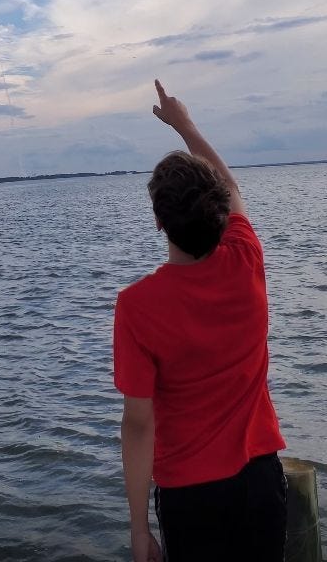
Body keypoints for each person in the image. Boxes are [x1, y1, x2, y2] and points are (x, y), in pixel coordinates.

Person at [113, 80, 287, 562]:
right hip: (260, 480)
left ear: (158, 222)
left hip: (190, 493)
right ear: (218, 214)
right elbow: (230, 186)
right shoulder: (246, 261)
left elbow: (138, 424)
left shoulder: (137, 306)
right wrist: (184, 123)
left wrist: (139, 528)